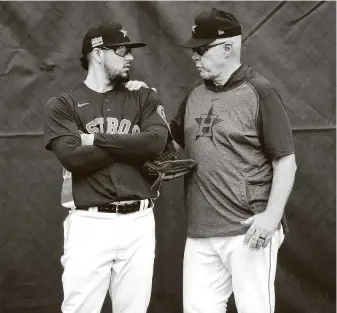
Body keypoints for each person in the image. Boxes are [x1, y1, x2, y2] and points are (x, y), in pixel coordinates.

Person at [170, 8, 297, 313]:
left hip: (248, 229)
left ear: (228, 47)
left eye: (201, 49)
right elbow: (170, 144)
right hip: (200, 232)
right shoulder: (194, 94)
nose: (194, 57)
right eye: (193, 50)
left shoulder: (259, 91)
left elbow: (286, 161)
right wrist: (143, 102)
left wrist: (270, 217)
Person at [43, 21, 169, 313]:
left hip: (139, 221)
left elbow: (156, 143)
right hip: (90, 224)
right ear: (97, 54)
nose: (130, 57)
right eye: (122, 50)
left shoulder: (143, 95)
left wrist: (93, 139)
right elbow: (74, 158)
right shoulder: (62, 104)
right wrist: (131, 143)